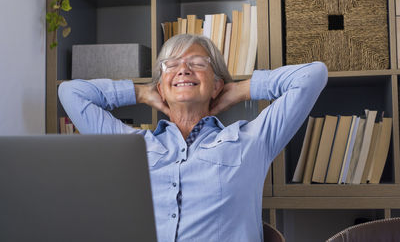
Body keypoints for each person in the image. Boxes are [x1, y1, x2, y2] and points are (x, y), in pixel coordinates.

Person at [59, 34, 328, 242]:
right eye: (171, 65)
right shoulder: (131, 145)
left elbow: (312, 75)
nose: (184, 69)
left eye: (198, 64)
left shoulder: (252, 139)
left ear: (217, 85)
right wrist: (139, 93)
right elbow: (71, 93)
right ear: (160, 88)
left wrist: (241, 90)